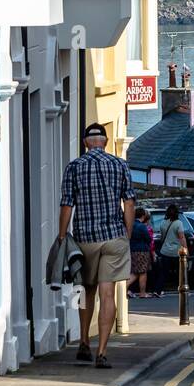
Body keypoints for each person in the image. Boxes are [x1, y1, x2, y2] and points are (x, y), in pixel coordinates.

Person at [58, 122, 136, 369]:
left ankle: (83, 341)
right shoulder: (120, 164)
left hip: (85, 239)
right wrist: (127, 234)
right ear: (105, 141)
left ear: (85, 143)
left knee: (85, 290)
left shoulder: (74, 167)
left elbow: (67, 206)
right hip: (114, 237)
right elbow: (130, 203)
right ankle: (102, 351)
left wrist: (62, 238)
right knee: (108, 293)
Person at [158, 205, 189, 290]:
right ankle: (180, 287)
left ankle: (159, 289)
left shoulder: (163, 223)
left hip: (165, 251)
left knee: (164, 272)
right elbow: (182, 237)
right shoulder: (179, 223)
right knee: (180, 271)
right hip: (176, 252)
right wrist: (186, 249)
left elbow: (162, 237)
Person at [127, 208, 154, 299]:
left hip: (132, 250)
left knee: (135, 272)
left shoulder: (130, 225)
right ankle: (142, 293)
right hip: (142, 251)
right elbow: (148, 239)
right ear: (143, 216)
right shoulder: (142, 226)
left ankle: (124, 288)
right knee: (142, 272)